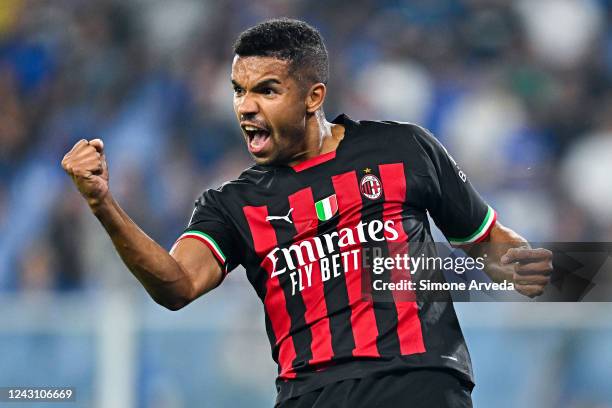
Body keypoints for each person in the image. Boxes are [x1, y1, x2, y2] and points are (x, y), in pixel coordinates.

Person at [61, 18, 553, 408]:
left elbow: (487, 242)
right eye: (238, 90)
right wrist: (103, 204)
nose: (245, 107)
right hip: (311, 395)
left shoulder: (403, 148)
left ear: (313, 97)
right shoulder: (231, 204)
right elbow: (176, 286)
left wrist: (535, 268)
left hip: (419, 384)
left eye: (267, 91)